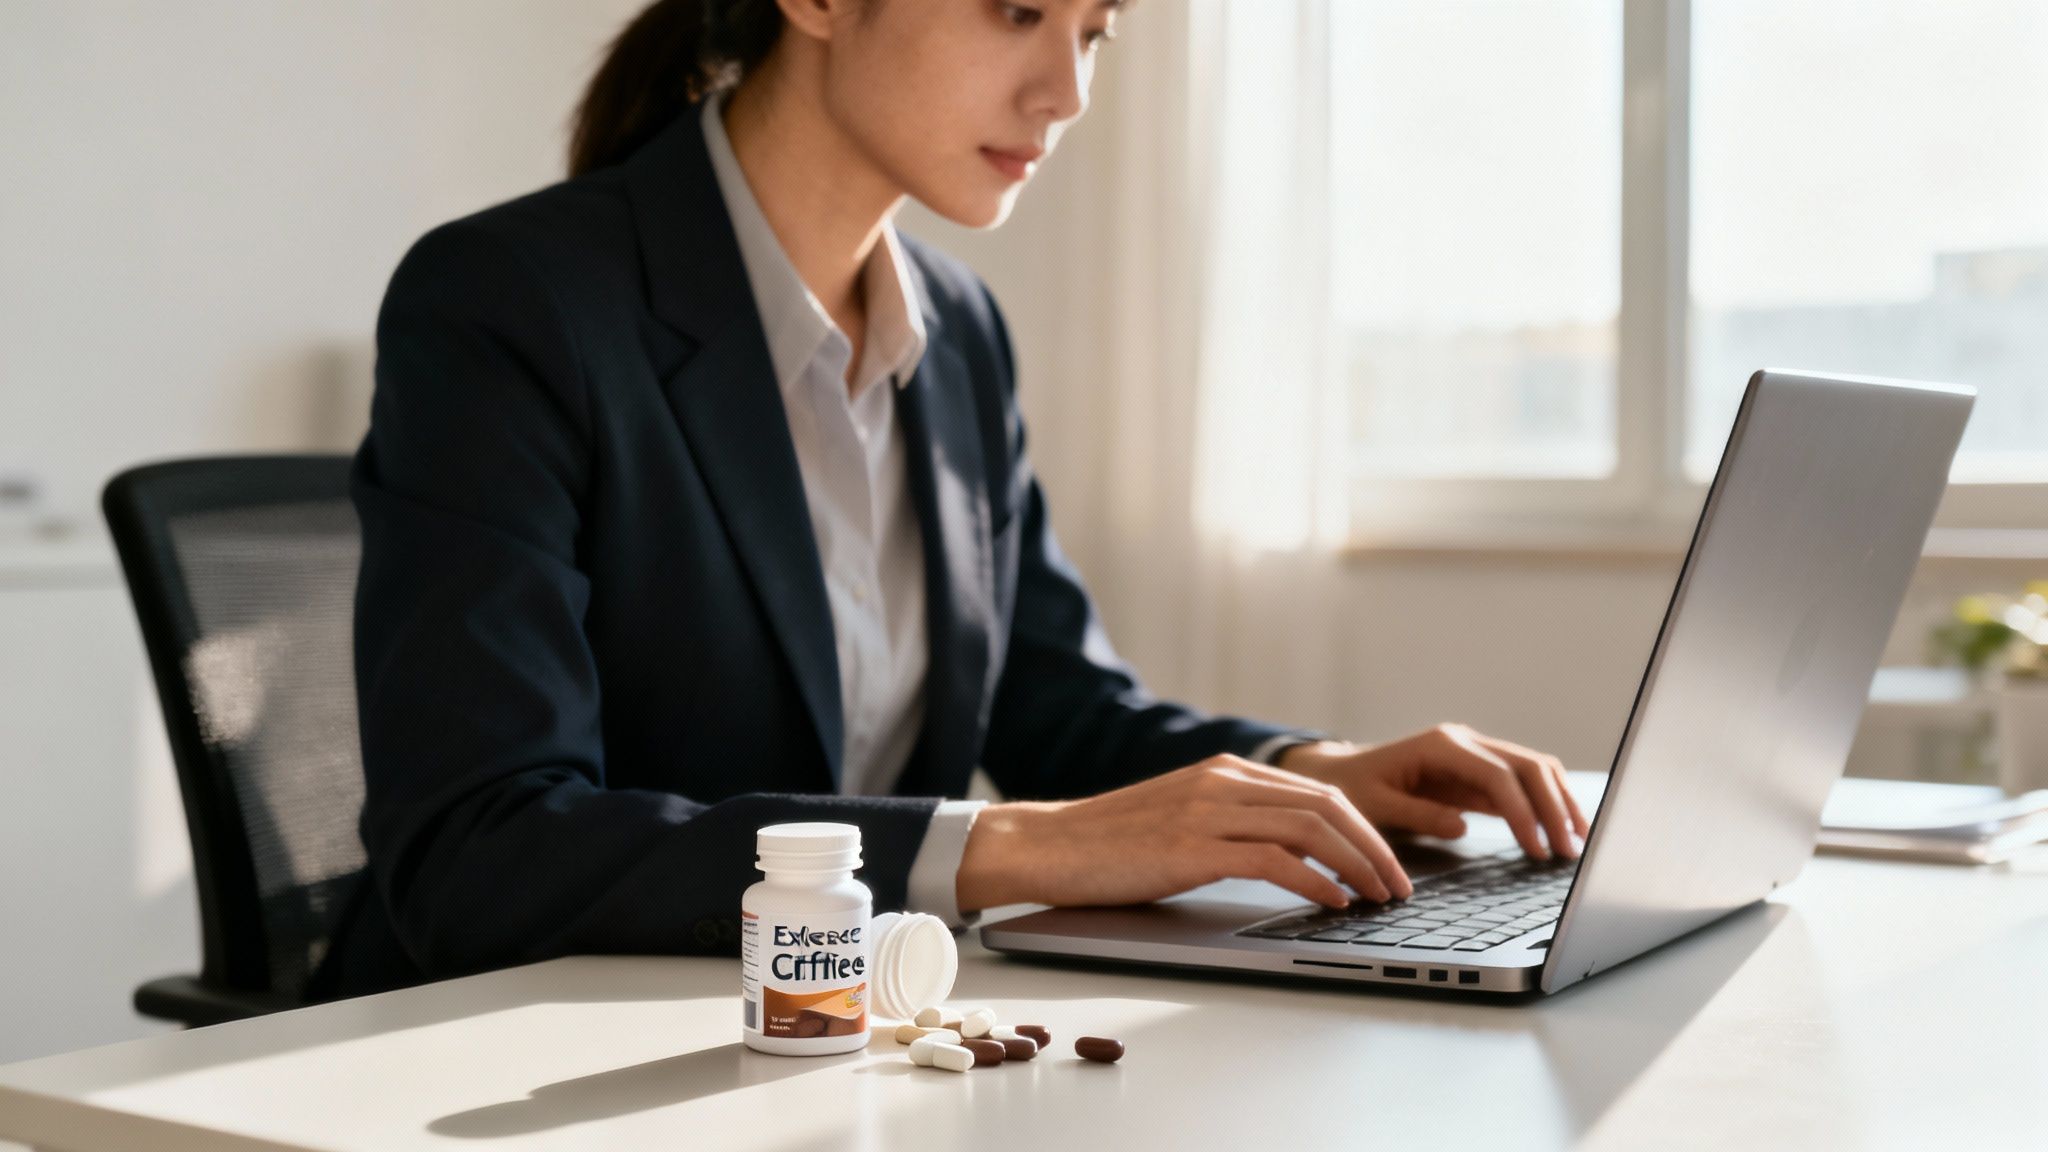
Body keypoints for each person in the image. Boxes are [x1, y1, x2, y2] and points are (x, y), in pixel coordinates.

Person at [312, 0, 1589, 1000]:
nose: (1068, 91)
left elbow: (1054, 706)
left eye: (1093, 32)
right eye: (1017, 11)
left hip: (817, 1040)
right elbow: (481, 849)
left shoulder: (957, 331)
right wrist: (1025, 849)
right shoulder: (511, 302)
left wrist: (1306, 773)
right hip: (498, 1061)